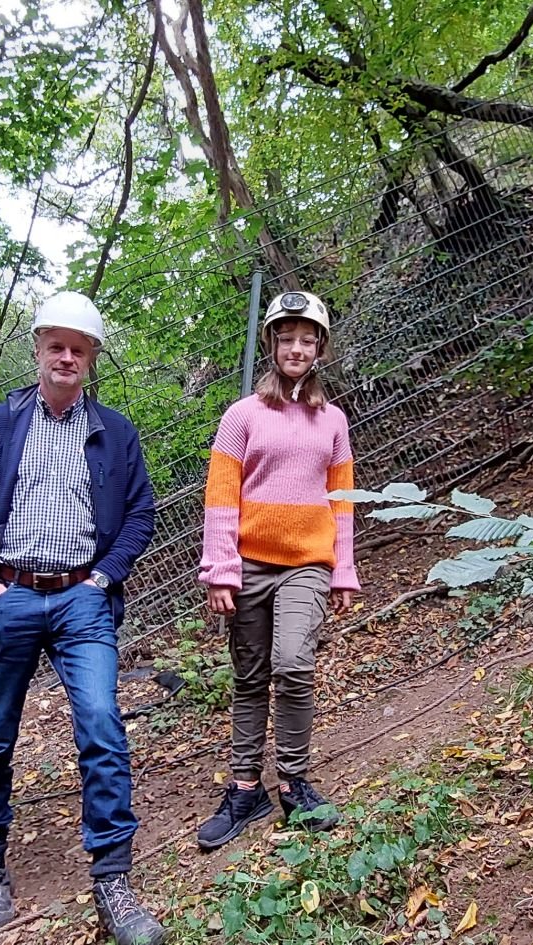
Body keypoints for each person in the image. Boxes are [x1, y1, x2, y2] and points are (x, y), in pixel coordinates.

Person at [0, 291, 165, 945]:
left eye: (79, 348)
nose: (66, 357)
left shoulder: (115, 432)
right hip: (7, 595)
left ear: (91, 358)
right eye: (55, 345)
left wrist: (102, 577)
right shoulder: (3, 423)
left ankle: (113, 879)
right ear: (37, 350)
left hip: (81, 600)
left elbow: (142, 512)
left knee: (100, 721)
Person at [193, 289, 359, 851]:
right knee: (249, 675)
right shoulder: (241, 416)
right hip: (249, 563)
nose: (296, 348)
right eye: (286, 338)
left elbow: (342, 500)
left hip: (307, 563)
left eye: (306, 340)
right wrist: (220, 569)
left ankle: (292, 782)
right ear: (271, 344)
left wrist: (343, 570)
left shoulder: (332, 421)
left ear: (320, 349)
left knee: (293, 663)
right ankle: (245, 789)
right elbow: (221, 495)